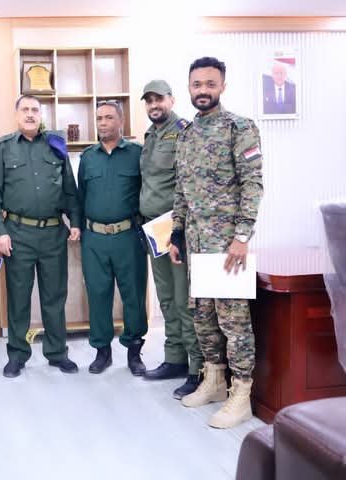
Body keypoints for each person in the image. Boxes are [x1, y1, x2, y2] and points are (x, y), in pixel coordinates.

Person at [170, 56, 263, 429]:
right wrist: (177, 233)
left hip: (227, 247)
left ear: (222, 86)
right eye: (197, 84)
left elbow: (253, 184)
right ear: (189, 88)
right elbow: (181, 189)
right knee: (203, 317)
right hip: (196, 244)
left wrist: (242, 237)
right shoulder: (187, 134)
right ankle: (214, 379)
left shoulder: (239, 127)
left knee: (234, 322)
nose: (203, 90)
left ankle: (241, 395)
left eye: (210, 84)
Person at [0, 95, 82, 378]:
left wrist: (75, 221)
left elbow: (69, 189)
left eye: (35, 110)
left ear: (41, 115)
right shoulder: (2, 148)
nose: (30, 114)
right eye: (25, 110)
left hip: (53, 233)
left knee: (55, 297)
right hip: (17, 234)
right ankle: (17, 355)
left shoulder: (55, 145)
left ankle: (57, 353)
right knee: (19, 298)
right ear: (17, 115)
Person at [138, 80, 204, 399]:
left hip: (176, 230)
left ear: (171, 100)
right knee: (165, 298)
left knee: (183, 299)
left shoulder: (184, 132)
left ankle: (196, 368)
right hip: (154, 230)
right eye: (149, 100)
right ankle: (174, 359)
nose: (154, 105)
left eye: (159, 99)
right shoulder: (150, 136)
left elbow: (188, 184)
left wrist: (178, 229)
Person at [77, 100, 148, 376]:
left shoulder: (136, 154)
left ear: (121, 121)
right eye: (99, 118)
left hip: (128, 236)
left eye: (109, 117)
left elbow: (146, 192)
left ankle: (134, 351)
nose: (103, 123)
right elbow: (80, 196)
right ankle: (102, 352)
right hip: (94, 238)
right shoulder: (88, 157)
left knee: (133, 294)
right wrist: (78, 228)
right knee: (98, 295)